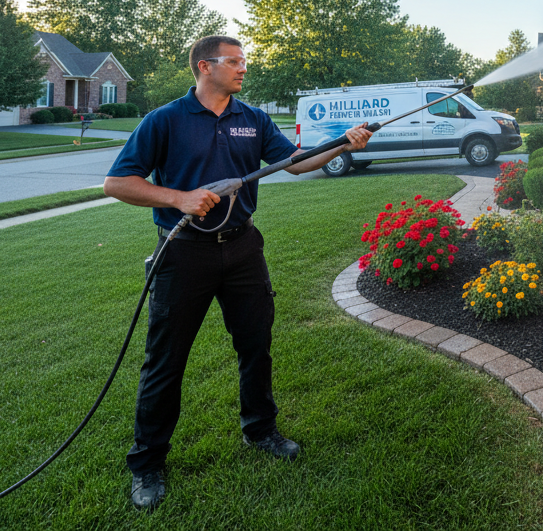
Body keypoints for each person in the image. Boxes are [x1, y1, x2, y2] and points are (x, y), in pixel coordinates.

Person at [103, 35, 372, 510]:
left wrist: (342, 146)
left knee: (255, 344)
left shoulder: (252, 118)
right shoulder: (164, 120)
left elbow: (294, 164)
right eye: (235, 61)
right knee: (165, 361)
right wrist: (178, 198)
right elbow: (117, 182)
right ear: (205, 67)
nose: (243, 68)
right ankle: (147, 465)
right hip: (183, 252)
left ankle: (260, 431)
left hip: (243, 248)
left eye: (245, 61)